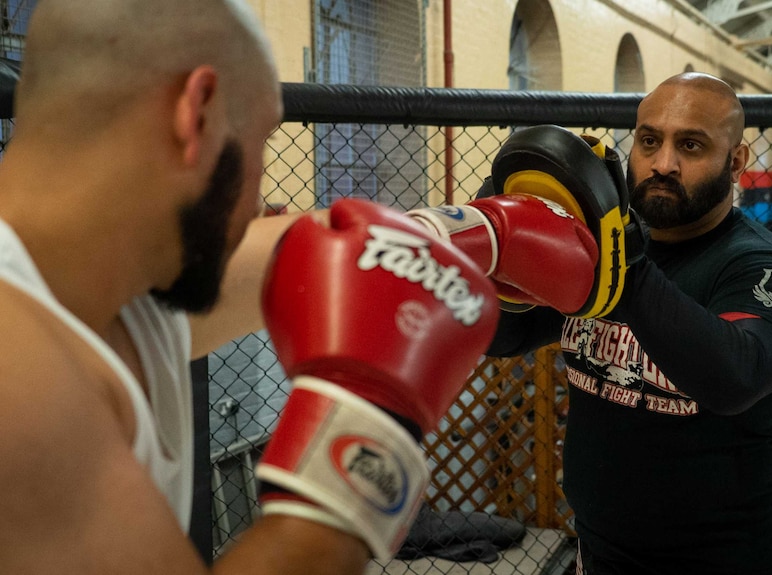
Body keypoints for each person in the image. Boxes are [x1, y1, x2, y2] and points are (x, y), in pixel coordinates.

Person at [0, 1, 508, 574]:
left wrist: (494, 229)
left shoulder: (114, 291)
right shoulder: (15, 366)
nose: (259, 202)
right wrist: (368, 434)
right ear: (198, 115)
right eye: (262, 142)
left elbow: (338, 241)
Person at [479, 73, 772, 574]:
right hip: (599, 555)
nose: (663, 164)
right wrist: (494, 248)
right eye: (649, 141)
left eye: (691, 145)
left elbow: (734, 376)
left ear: (737, 161)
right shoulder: (598, 255)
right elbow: (505, 336)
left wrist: (626, 260)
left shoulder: (764, 271)